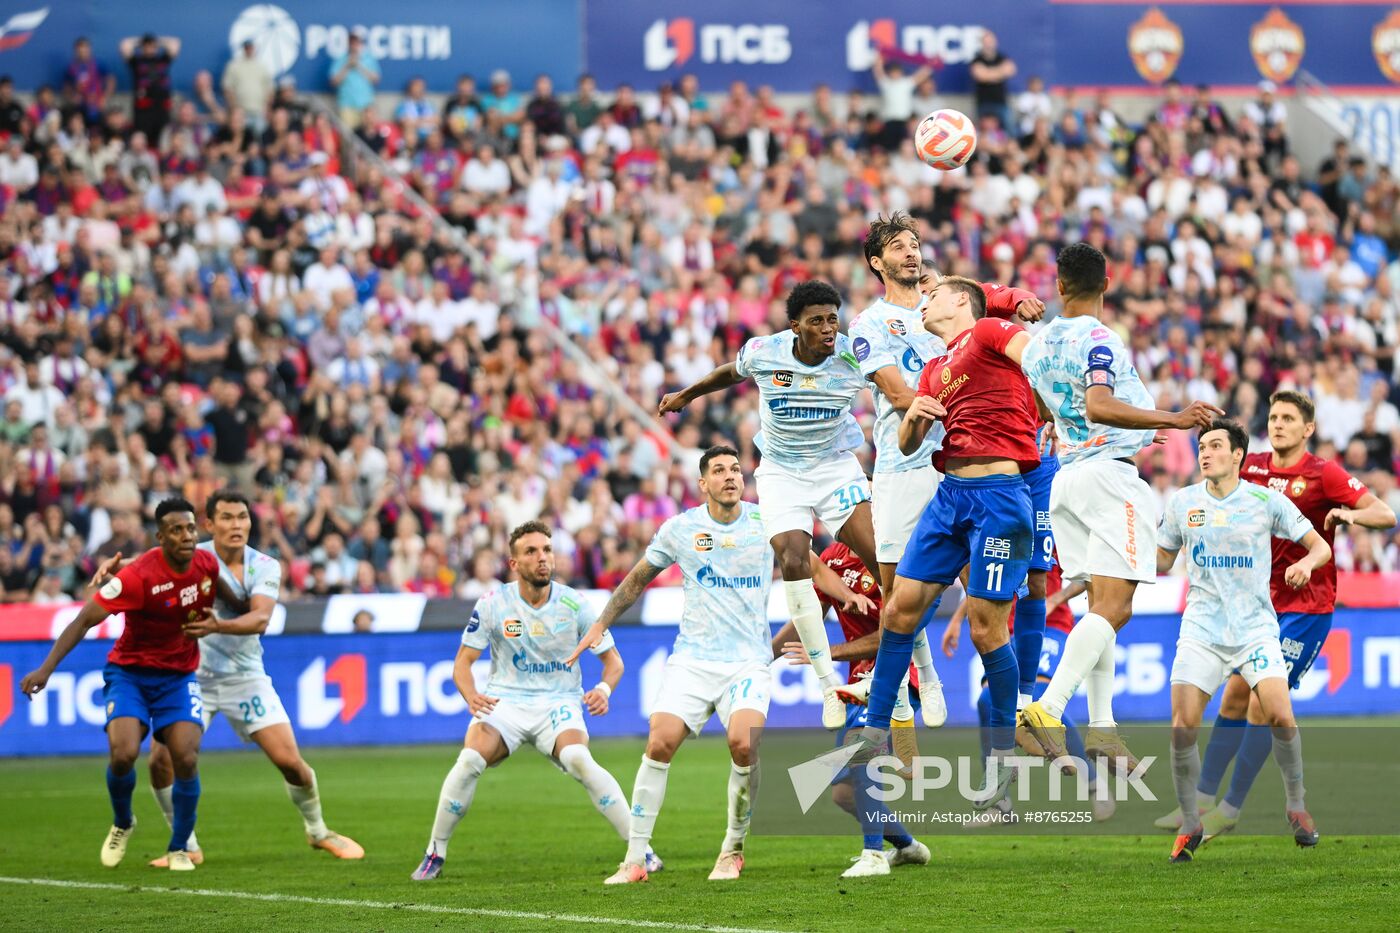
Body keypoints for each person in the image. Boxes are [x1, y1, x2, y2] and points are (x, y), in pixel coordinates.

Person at [1157, 392, 1395, 838]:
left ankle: (1230, 807)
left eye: (1288, 418)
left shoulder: (1324, 475)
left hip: (1307, 607)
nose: (1279, 424)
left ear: (1308, 429)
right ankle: (1204, 799)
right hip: (1254, 606)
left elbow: (1384, 512)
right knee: (1231, 699)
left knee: (1262, 705)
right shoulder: (1252, 466)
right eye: (1274, 417)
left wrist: (1346, 513)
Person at [1018, 242, 1219, 765]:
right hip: (1109, 480)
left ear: (1059, 286)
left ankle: (1103, 728)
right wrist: (1171, 420)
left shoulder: (1037, 347)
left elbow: (1050, 407)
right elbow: (1099, 404)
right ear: (1106, 285)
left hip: (1069, 478)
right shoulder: (1100, 338)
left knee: (1098, 607)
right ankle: (1047, 709)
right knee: (1117, 606)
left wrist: (1129, 433)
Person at [659, 280, 882, 731]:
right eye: (816, 320)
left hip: (835, 466)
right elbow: (728, 372)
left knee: (884, 561)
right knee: (794, 559)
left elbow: (894, 386)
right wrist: (686, 395)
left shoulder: (853, 355)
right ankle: (826, 686)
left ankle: (919, 673)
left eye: (832, 319)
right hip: (781, 471)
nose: (827, 328)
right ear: (795, 325)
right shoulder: (765, 352)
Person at [850, 276, 1036, 813]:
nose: (924, 300)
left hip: (999, 497)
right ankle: (873, 734)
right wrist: (911, 417)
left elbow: (1035, 355)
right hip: (949, 496)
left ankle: (1001, 770)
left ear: (960, 300)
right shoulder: (935, 368)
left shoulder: (990, 331)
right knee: (900, 611)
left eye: (935, 294)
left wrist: (1049, 406)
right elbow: (910, 441)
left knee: (985, 627)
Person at [116, 491, 361, 864]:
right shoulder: (192, 555)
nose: (237, 525)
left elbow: (260, 619)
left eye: (242, 517)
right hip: (191, 676)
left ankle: (318, 831)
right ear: (210, 525)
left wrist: (220, 625)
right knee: (160, 762)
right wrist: (112, 568)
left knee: (291, 763)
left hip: (245, 676)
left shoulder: (263, 565)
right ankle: (186, 846)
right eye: (227, 518)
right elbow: (148, 563)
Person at [569, 446, 771, 884]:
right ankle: (635, 860)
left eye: (735, 469)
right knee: (659, 743)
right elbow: (639, 577)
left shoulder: (765, 521)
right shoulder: (682, 529)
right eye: (719, 470)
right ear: (703, 484)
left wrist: (845, 592)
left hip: (748, 662)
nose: (730, 476)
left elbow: (806, 564)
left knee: (743, 744)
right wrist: (601, 622)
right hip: (693, 660)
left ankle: (732, 850)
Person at [20, 498, 252, 871]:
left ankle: (180, 847)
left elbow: (235, 600)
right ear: (160, 537)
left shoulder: (206, 565)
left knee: (186, 758)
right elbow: (82, 621)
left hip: (177, 678)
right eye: (176, 530)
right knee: (124, 753)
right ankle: (123, 821)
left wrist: (241, 611)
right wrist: (45, 670)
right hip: (130, 675)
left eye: (191, 528)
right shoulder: (138, 577)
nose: (187, 536)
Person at [411, 521, 651, 880]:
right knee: (469, 761)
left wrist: (603, 690)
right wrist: (471, 695)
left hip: (559, 702)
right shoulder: (494, 604)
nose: (542, 558)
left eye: (547, 550)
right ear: (514, 564)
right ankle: (435, 851)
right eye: (531, 552)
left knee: (578, 758)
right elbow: (462, 662)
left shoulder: (575, 604)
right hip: (506, 701)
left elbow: (613, 662)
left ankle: (640, 850)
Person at [1155, 420, 1330, 862]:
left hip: (1254, 628)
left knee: (1280, 715)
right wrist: (1129, 536)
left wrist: (1307, 563)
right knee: (1182, 728)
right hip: (1202, 629)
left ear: (1238, 456)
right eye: (1201, 446)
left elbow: (1320, 547)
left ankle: (1296, 805)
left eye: (1215, 445)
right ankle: (1193, 821)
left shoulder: (1264, 500)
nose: (1206, 452)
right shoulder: (1182, 503)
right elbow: (1160, 560)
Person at [775, 541, 931, 878]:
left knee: (864, 747)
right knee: (844, 795)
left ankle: (873, 854)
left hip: (900, 673)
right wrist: (763, 657)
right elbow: (807, 616)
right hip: (856, 682)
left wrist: (827, 652)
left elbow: (894, 632)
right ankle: (907, 847)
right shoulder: (832, 558)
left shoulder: (893, 555)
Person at [942, 563, 1116, 822]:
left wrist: (1055, 598)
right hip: (1006, 627)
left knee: (1039, 699)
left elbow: (1088, 574)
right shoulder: (1001, 528)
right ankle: (1000, 802)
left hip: (1049, 624)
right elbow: (982, 577)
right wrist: (956, 620)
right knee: (986, 700)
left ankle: (1092, 780)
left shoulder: (1053, 527)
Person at [119, 33, 179, 143]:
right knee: (142, 139)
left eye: (152, 46)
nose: (150, 48)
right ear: (142, 47)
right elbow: (124, 45)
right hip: (143, 110)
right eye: (147, 46)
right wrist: (140, 41)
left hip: (162, 108)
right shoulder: (136, 62)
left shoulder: (163, 60)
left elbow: (175, 43)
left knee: (163, 140)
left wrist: (157, 41)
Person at [329, 29, 380, 129]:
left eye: (356, 43)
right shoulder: (341, 59)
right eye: (351, 43)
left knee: (367, 133)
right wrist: (347, 66)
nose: (354, 45)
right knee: (348, 136)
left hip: (366, 104)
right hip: (347, 105)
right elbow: (334, 81)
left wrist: (359, 65)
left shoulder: (368, 58)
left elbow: (376, 79)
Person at [969, 30, 1015, 131]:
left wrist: (988, 73)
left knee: (1010, 130)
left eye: (991, 41)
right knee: (981, 131)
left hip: (1000, 101)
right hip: (984, 103)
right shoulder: (977, 59)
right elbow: (980, 76)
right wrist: (1000, 72)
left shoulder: (1002, 57)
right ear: (982, 43)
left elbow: (1011, 70)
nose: (989, 44)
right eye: (986, 41)